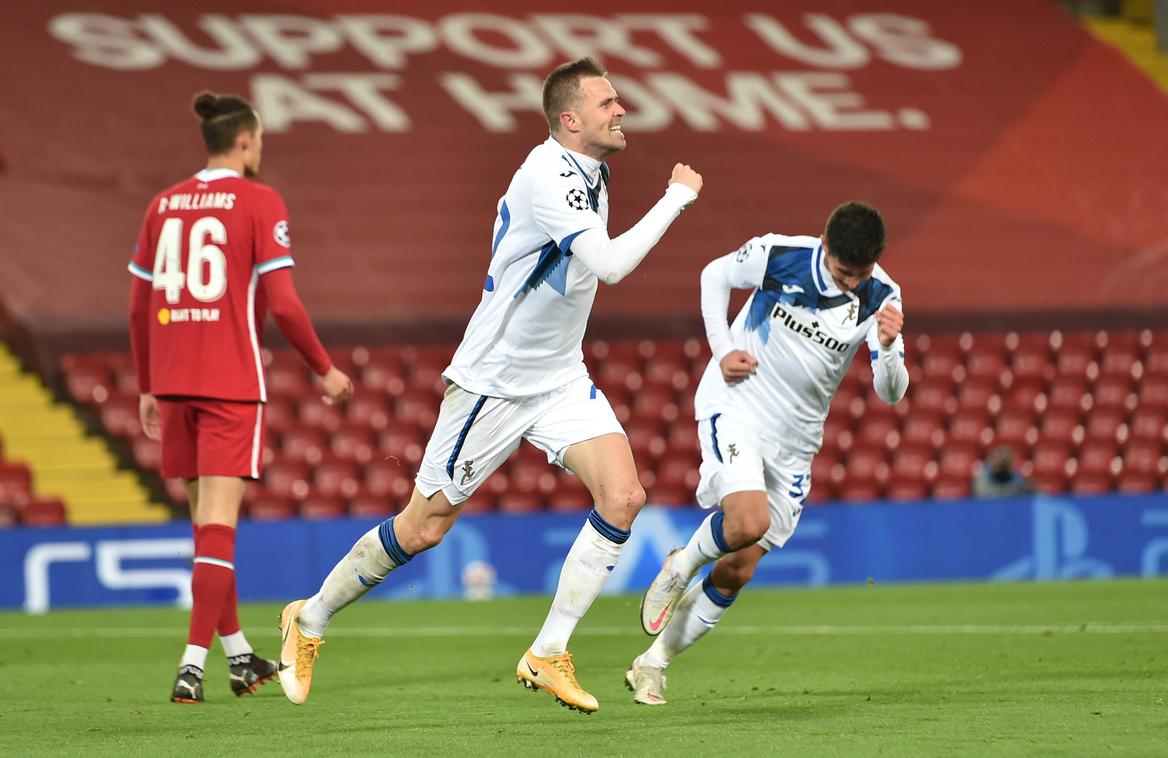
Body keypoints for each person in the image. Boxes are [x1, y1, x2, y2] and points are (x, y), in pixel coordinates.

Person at [277, 56, 702, 714]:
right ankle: (310, 618)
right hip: (494, 381)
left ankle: (548, 651)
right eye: (608, 103)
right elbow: (611, 265)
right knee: (423, 530)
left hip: (558, 376)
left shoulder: (596, 171)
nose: (621, 111)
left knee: (623, 496)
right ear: (570, 119)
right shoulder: (547, 175)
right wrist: (677, 196)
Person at [628, 201, 908, 705]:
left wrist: (888, 348)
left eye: (860, 273)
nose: (851, 283)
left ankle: (653, 664)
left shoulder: (882, 295)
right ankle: (680, 566)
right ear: (826, 247)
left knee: (738, 567)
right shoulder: (781, 254)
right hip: (739, 402)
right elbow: (714, 274)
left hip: (797, 441)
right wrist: (719, 350)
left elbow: (891, 393)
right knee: (747, 519)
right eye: (844, 271)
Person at [128, 91, 353, 704]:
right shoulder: (259, 200)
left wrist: (147, 383)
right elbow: (282, 303)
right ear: (247, 142)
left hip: (172, 381)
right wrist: (325, 370)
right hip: (228, 382)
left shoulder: (163, 204)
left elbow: (139, 306)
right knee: (220, 531)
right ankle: (192, 664)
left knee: (205, 529)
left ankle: (238, 656)